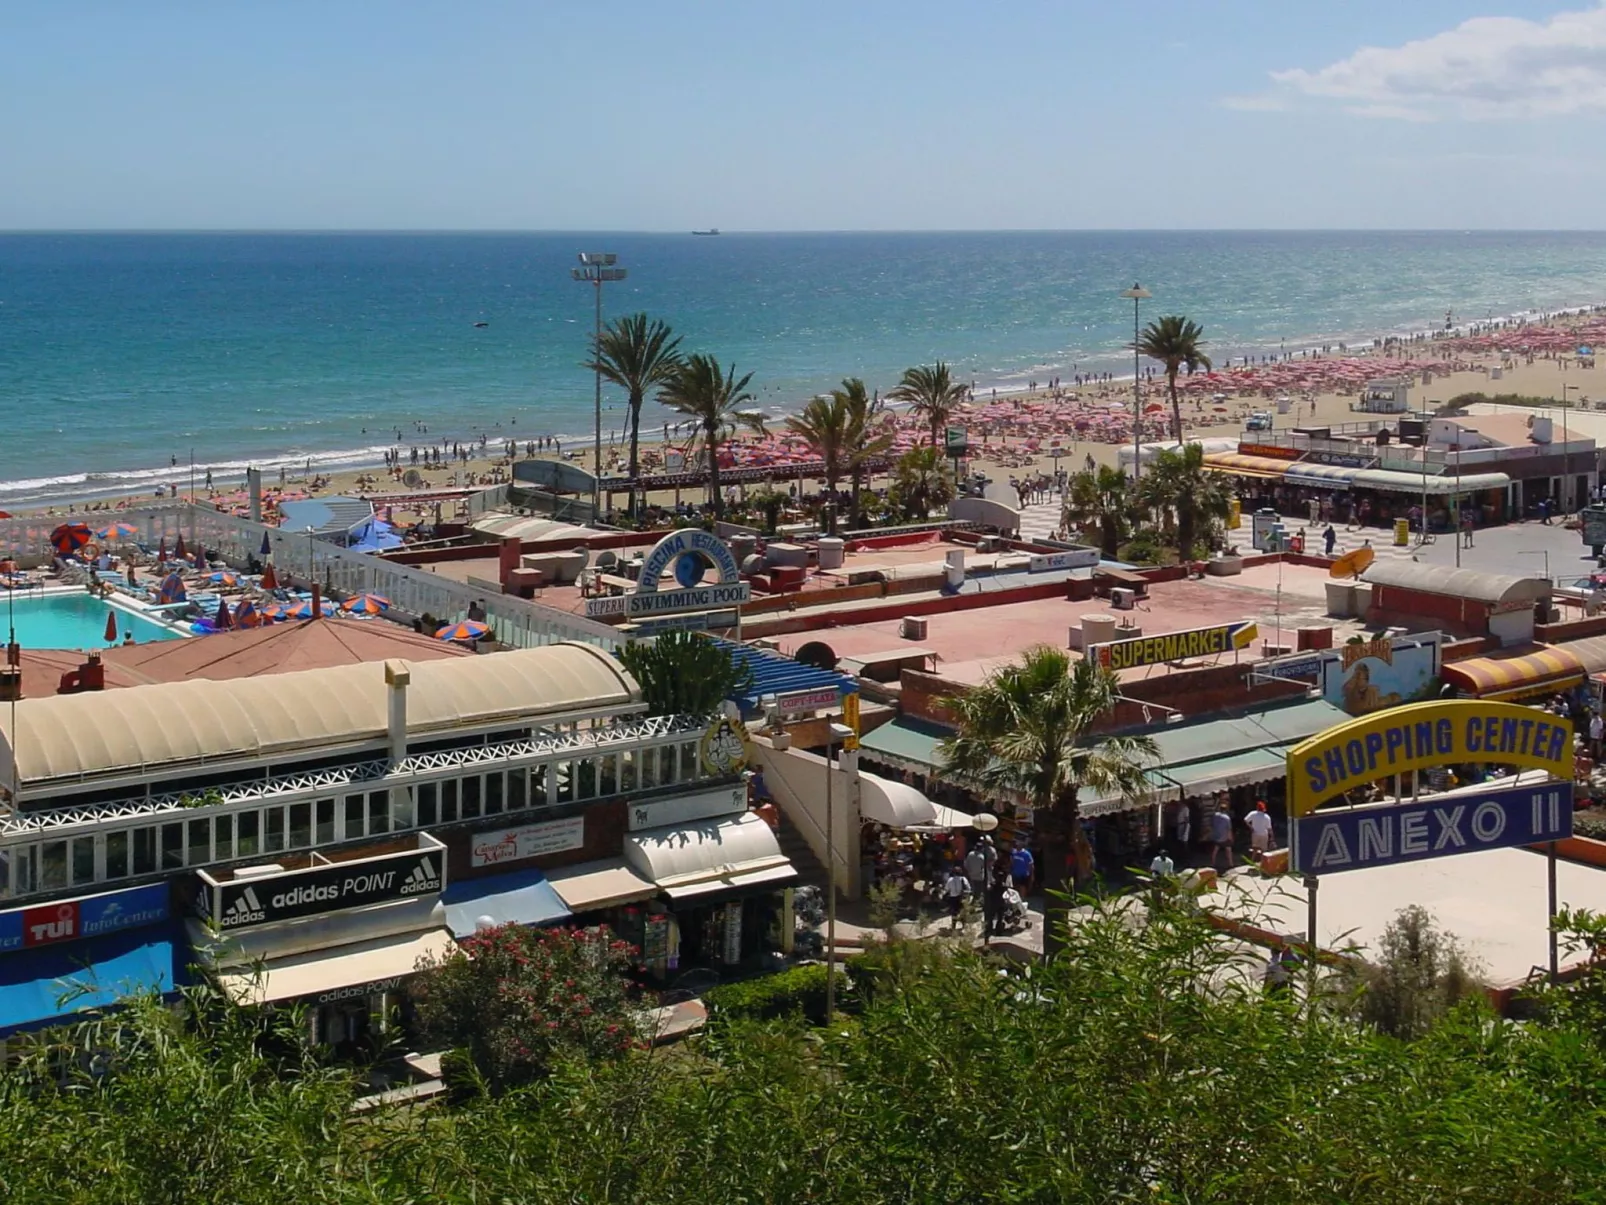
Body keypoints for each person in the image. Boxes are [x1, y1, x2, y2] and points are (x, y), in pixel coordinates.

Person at [1208, 804, 1233, 871]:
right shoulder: (1227, 818)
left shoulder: (1215, 815)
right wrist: (1230, 837)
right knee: (1228, 850)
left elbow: (1211, 824)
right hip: (1224, 836)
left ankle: (1213, 863)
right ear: (1226, 810)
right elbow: (1229, 829)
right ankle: (1230, 864)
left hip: (1216, 835)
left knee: (1215, 850)